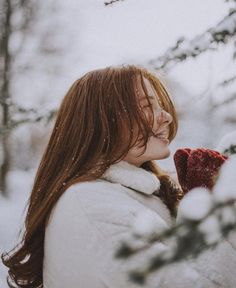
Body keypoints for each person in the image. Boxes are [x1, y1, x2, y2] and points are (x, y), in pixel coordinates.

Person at [2, 65, 236, 288]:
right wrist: (216, 208)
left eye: (161, 106)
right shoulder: (94, 207)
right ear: (102, 120)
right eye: (147, 106)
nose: (167, 117)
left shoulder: (128, 194)